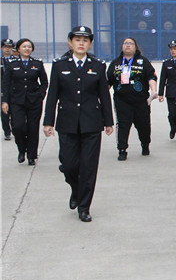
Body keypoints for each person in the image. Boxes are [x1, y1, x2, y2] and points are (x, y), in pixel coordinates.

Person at [43, 26, 115, 222]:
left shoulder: (98, 66)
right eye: (77, 40)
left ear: (90, 43)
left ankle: (84, 207)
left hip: (92, 123)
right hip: (67, 123)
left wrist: (109, 121)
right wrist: (48, 121)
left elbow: (104, 96)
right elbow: (52, 96)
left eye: (85, 40)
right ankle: (75, 189)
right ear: (70, 43)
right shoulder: (59, 65)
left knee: (89, 167)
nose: (81, 43)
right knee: (68, 165)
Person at [106, 37, 157, 160]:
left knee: (143, 126)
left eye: (131, 43)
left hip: (141, 101)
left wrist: (154, 90)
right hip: (121, 100)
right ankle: (122, 150)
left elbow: (151, 77)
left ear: (135, 47)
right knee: (123, 125)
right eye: (125, 43)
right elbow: (108, 82)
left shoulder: (143, 62)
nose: (128, 45)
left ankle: (145, 144)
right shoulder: (116, 63)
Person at [1, 38, 48, 165]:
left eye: (29, 47)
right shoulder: (12, 64)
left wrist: (41, 95)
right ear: (18, 49)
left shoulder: (37, 63)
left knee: (33, 128)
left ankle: (31, 156)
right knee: (17, 127)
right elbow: (5, 84)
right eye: (24, 46)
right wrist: (4, 101)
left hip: (34, 101)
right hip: (17, 100)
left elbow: (44, 82)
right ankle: (22, 149)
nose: (27, 49)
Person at [158, 40, 176, 144]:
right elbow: (162, 79)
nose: (173, 51)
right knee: (172, 115)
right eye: (171, 49)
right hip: (171, 93)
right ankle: (173, 127)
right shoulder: (167, 63)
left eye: (175, 49)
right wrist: (160, 93)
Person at [1, 38, 14, 140]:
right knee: (4, 111)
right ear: (2, 48)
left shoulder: (15, 60)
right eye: (5, 47)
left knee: (14, 110)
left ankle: (15, 129)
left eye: (9, 47)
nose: (7, 49)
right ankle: (7, 131)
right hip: (2, 90)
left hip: (14, 89)